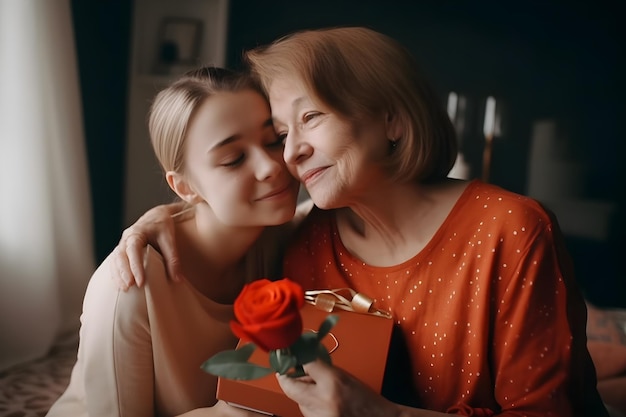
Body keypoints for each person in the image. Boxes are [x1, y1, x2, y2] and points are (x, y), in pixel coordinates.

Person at [112, 27, 609, 417]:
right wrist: (164, 219)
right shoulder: (307, 242)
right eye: (281, 132)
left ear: (392, 120)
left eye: (311, 119)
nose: (291, 153)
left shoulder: (512, 228)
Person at [47, 66, 305, 416]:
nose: (270, 166)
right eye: (233, 159)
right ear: (184, 187)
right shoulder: (129, 286)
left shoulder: (285, 237)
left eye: (274, 139)